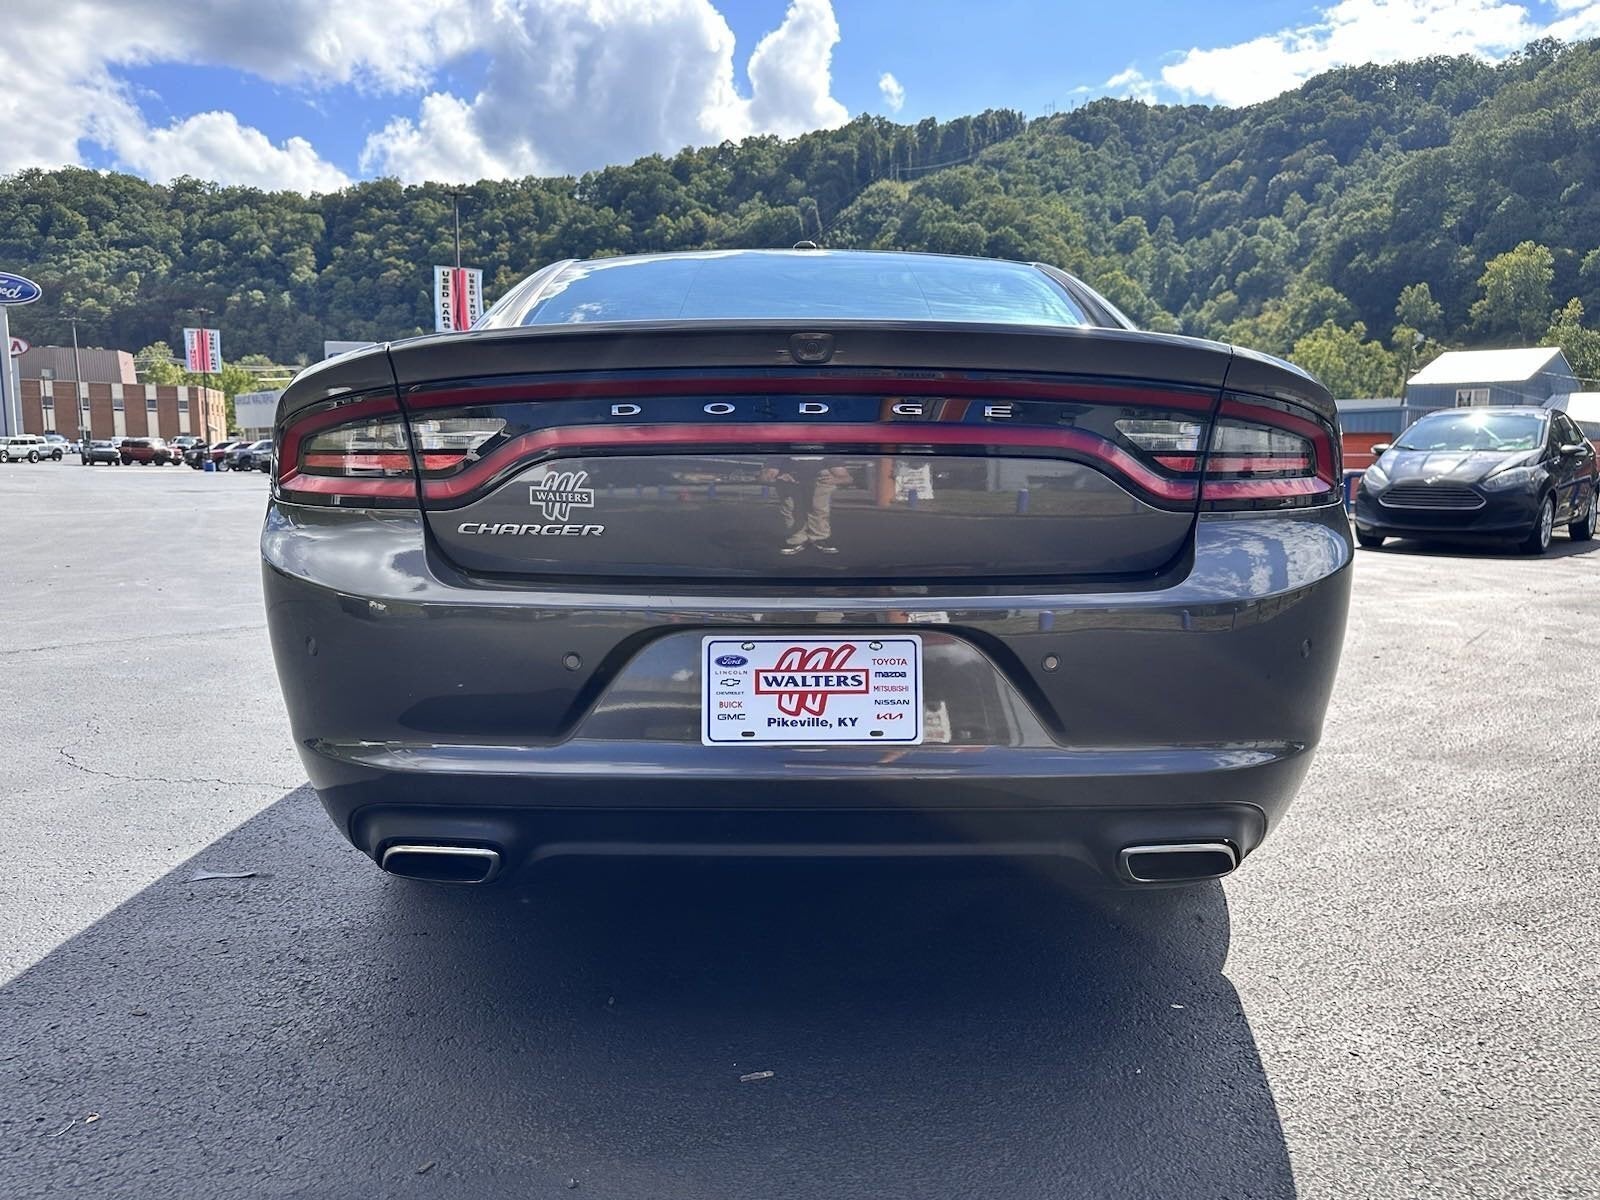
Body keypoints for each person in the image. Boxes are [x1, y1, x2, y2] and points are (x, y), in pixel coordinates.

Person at [764, 460, 852, 554]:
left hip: (820, 477)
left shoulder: (827, 450)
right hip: (788, 476)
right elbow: (764, 477)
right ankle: (796, 539)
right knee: (791, 508)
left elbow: (847, 478)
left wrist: (836, 480)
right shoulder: (783, 448)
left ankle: (820, 537)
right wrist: (777, 478)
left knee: (818, 508)